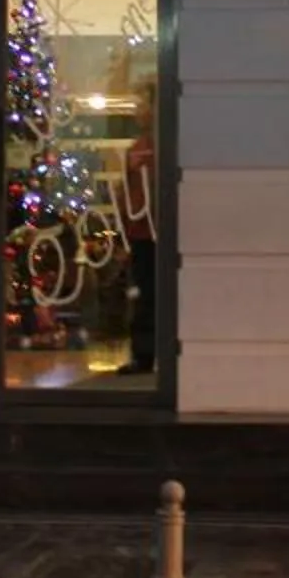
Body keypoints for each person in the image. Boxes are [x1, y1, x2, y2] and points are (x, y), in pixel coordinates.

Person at [121, 90, 159, 374]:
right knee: (146, 294)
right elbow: (128, 192)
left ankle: (148, 354)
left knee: (149, 294)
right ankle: (145, 354)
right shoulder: (138, 147)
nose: (137, 110)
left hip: (154, 229)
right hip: (143, 232)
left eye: (141, 104)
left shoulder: (151, 147)